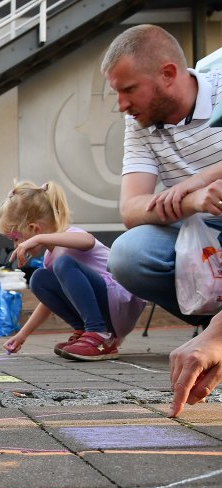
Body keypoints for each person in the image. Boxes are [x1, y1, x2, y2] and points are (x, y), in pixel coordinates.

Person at [102, 25, 222, 327]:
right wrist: (192, 200)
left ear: (168, 74)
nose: (122, 105)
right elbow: (131, 209)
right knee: (129, 255)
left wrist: (199, 181)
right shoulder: (138, 123)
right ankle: (211, 326)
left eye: (129, 89)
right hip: (196, 229)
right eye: (117, 92)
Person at [0, 181, 145, 361]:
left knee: (63, 264)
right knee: (39, 279)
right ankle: (86, 332)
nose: (16, 246)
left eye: (16, 239)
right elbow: (48, 302)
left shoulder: (70, 236)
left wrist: (37, 239)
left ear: (35, 229)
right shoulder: (50, 258)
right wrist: (22, 334)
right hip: (107, 306)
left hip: (121, 303)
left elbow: (88, 240)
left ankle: (99, 334)